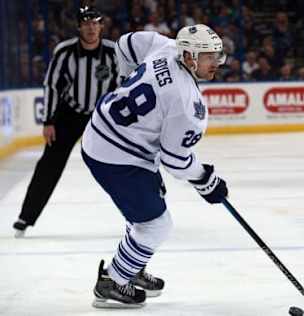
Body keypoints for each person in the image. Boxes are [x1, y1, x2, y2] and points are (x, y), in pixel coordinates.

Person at [81, 25, 228, 308]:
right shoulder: (188, 104)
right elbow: (174, 160)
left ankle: (130, 266)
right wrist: (206, 181)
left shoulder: (165, 45)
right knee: (156, 224)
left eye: (217, 55)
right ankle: (112, 282)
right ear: (189, 57)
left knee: (146, 208)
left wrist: (123, 80)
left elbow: (125, 43)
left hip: (106, 133)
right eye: (209, 57)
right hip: (116, 155)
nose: (216, 63)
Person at [12, 6, 119, 238]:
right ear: (79, 26)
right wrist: (49, 120)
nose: (91, 27)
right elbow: (51, 85)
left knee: (127, 159)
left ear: (101, 26)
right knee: (49, 165)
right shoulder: (65, 51)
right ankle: (26, 216)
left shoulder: (113, 52)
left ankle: (143, 211)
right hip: (69, 114)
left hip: (102, 117)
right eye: (86, 23)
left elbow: (124, 84)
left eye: (95, 23)